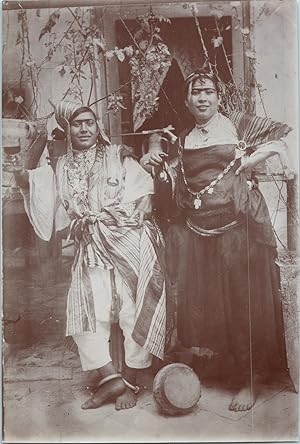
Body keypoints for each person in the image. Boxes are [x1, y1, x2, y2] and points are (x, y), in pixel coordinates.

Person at [140, 69, 290, 412]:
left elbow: (284, 137)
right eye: (195, 93)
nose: (202, 98)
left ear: (219, 97)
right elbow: (176, 181)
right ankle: (226, 368)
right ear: (186, 100)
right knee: (210, 304)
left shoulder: (238, 125)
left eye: (207, 91)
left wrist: (252, 159)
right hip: (200, 234)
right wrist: (155, 161)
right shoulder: (183, 138)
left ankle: (251, 379)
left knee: (244, 303)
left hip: (240, 230)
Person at [12, 101, 166, 411]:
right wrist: (21, 172)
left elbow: (143, 188)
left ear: (98, 127)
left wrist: (145, 200)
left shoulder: (116, 155)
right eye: (77, 124)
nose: (84, 128)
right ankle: (112, 380)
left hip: (128, 241)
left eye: (89, 123)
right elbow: (33, 184)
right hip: (91, 245)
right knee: (84, 312)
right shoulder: (61, 166)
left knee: (132, 309)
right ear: (67, 130)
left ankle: (131, 381)